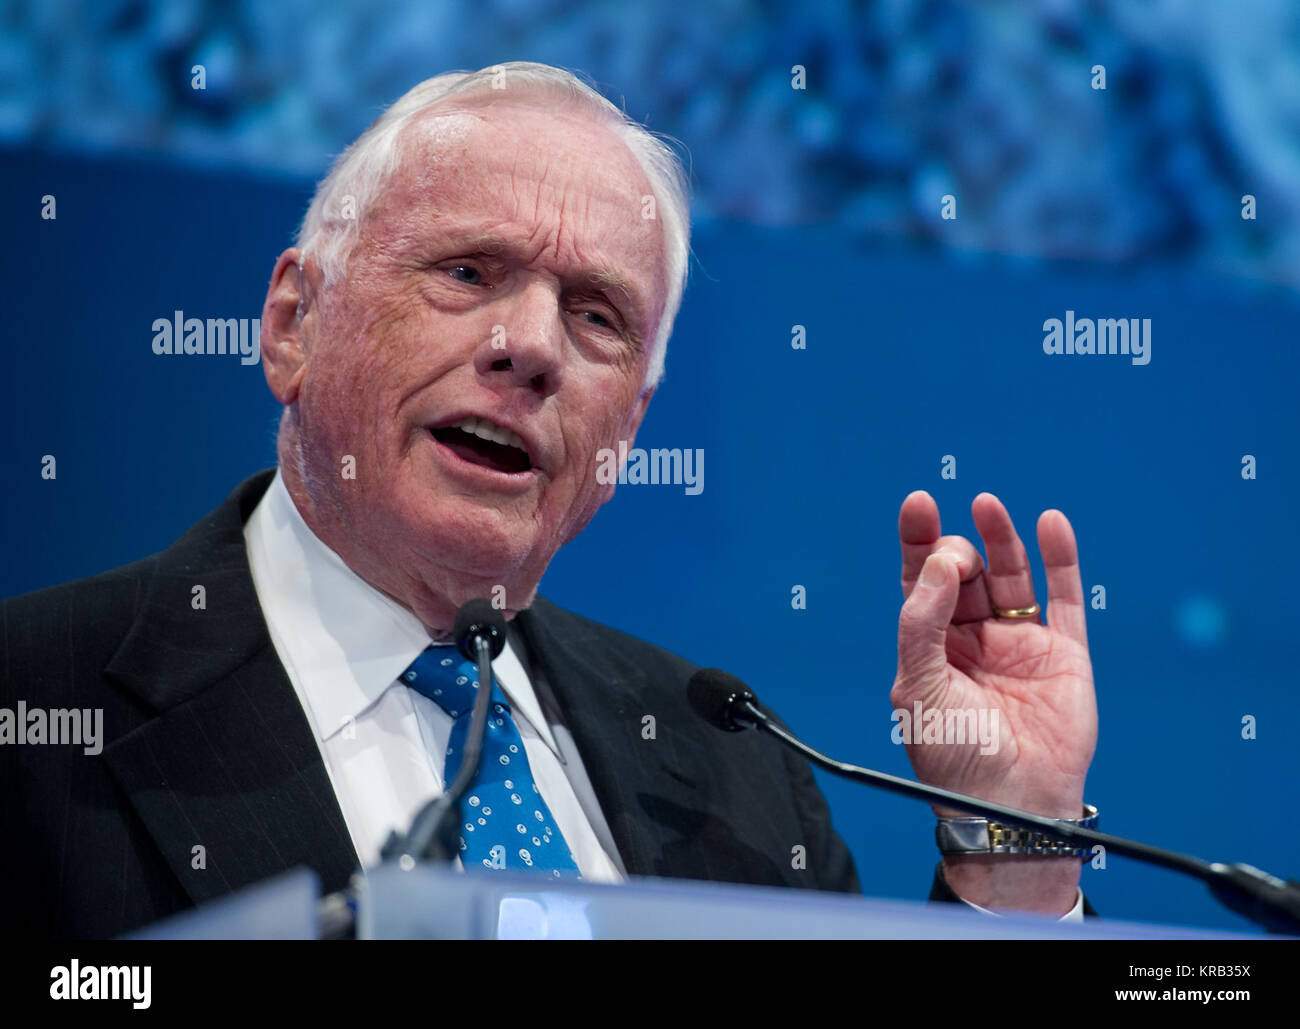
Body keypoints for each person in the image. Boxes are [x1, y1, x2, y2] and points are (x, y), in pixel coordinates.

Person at [0, 62, 1097, 938]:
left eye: (597, 319)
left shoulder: (737, 774)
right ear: (294, 323)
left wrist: (1017, 834)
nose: (528, 348)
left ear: (630, 425)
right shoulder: (35, 706)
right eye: (469, 272)